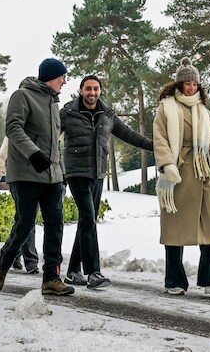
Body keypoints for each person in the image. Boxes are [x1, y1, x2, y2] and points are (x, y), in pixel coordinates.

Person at [0, 57, 75, 296]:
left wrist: (61, 172)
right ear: (51, 76)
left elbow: (55, 145)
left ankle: (51, 278)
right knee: (25, 224)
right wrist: (33, 154)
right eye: (62, 77)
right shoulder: (22, 96)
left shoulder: (53, 103)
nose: (64, 82)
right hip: (26, 174)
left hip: (52, 177)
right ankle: (3, 264)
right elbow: (13, 128)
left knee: (55, 225)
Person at [152, 58, 210, 295]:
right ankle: (174, 282)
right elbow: (160, 140)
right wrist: (167, 165)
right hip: (178, 175)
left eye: (194, 83)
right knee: (175, 231)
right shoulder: (166, 108)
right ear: (179, 85)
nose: (191, 87)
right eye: (187, 83)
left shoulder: (203, 110)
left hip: (203, 174)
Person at [61, 75, 153, 289]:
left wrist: (157, 146)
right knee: (88, 218)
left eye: (96, 89)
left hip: (98, 173)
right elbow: (50, 135)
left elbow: (130, 135)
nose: (92, 93)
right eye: (88, 89)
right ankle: (93, 272)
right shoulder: (68, 112)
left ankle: (73, 271)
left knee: (87, 221)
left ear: (100, 91)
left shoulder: (107, 115)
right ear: (81, 91)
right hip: (76, 173)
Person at [0, 138, 40, 274]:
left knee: (22, 220)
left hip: (38, 179)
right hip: (18, 180)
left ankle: (11, 254)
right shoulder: (15, 132)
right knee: (27, 219)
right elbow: (2, 157)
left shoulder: (43, 131)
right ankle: (31, 260)